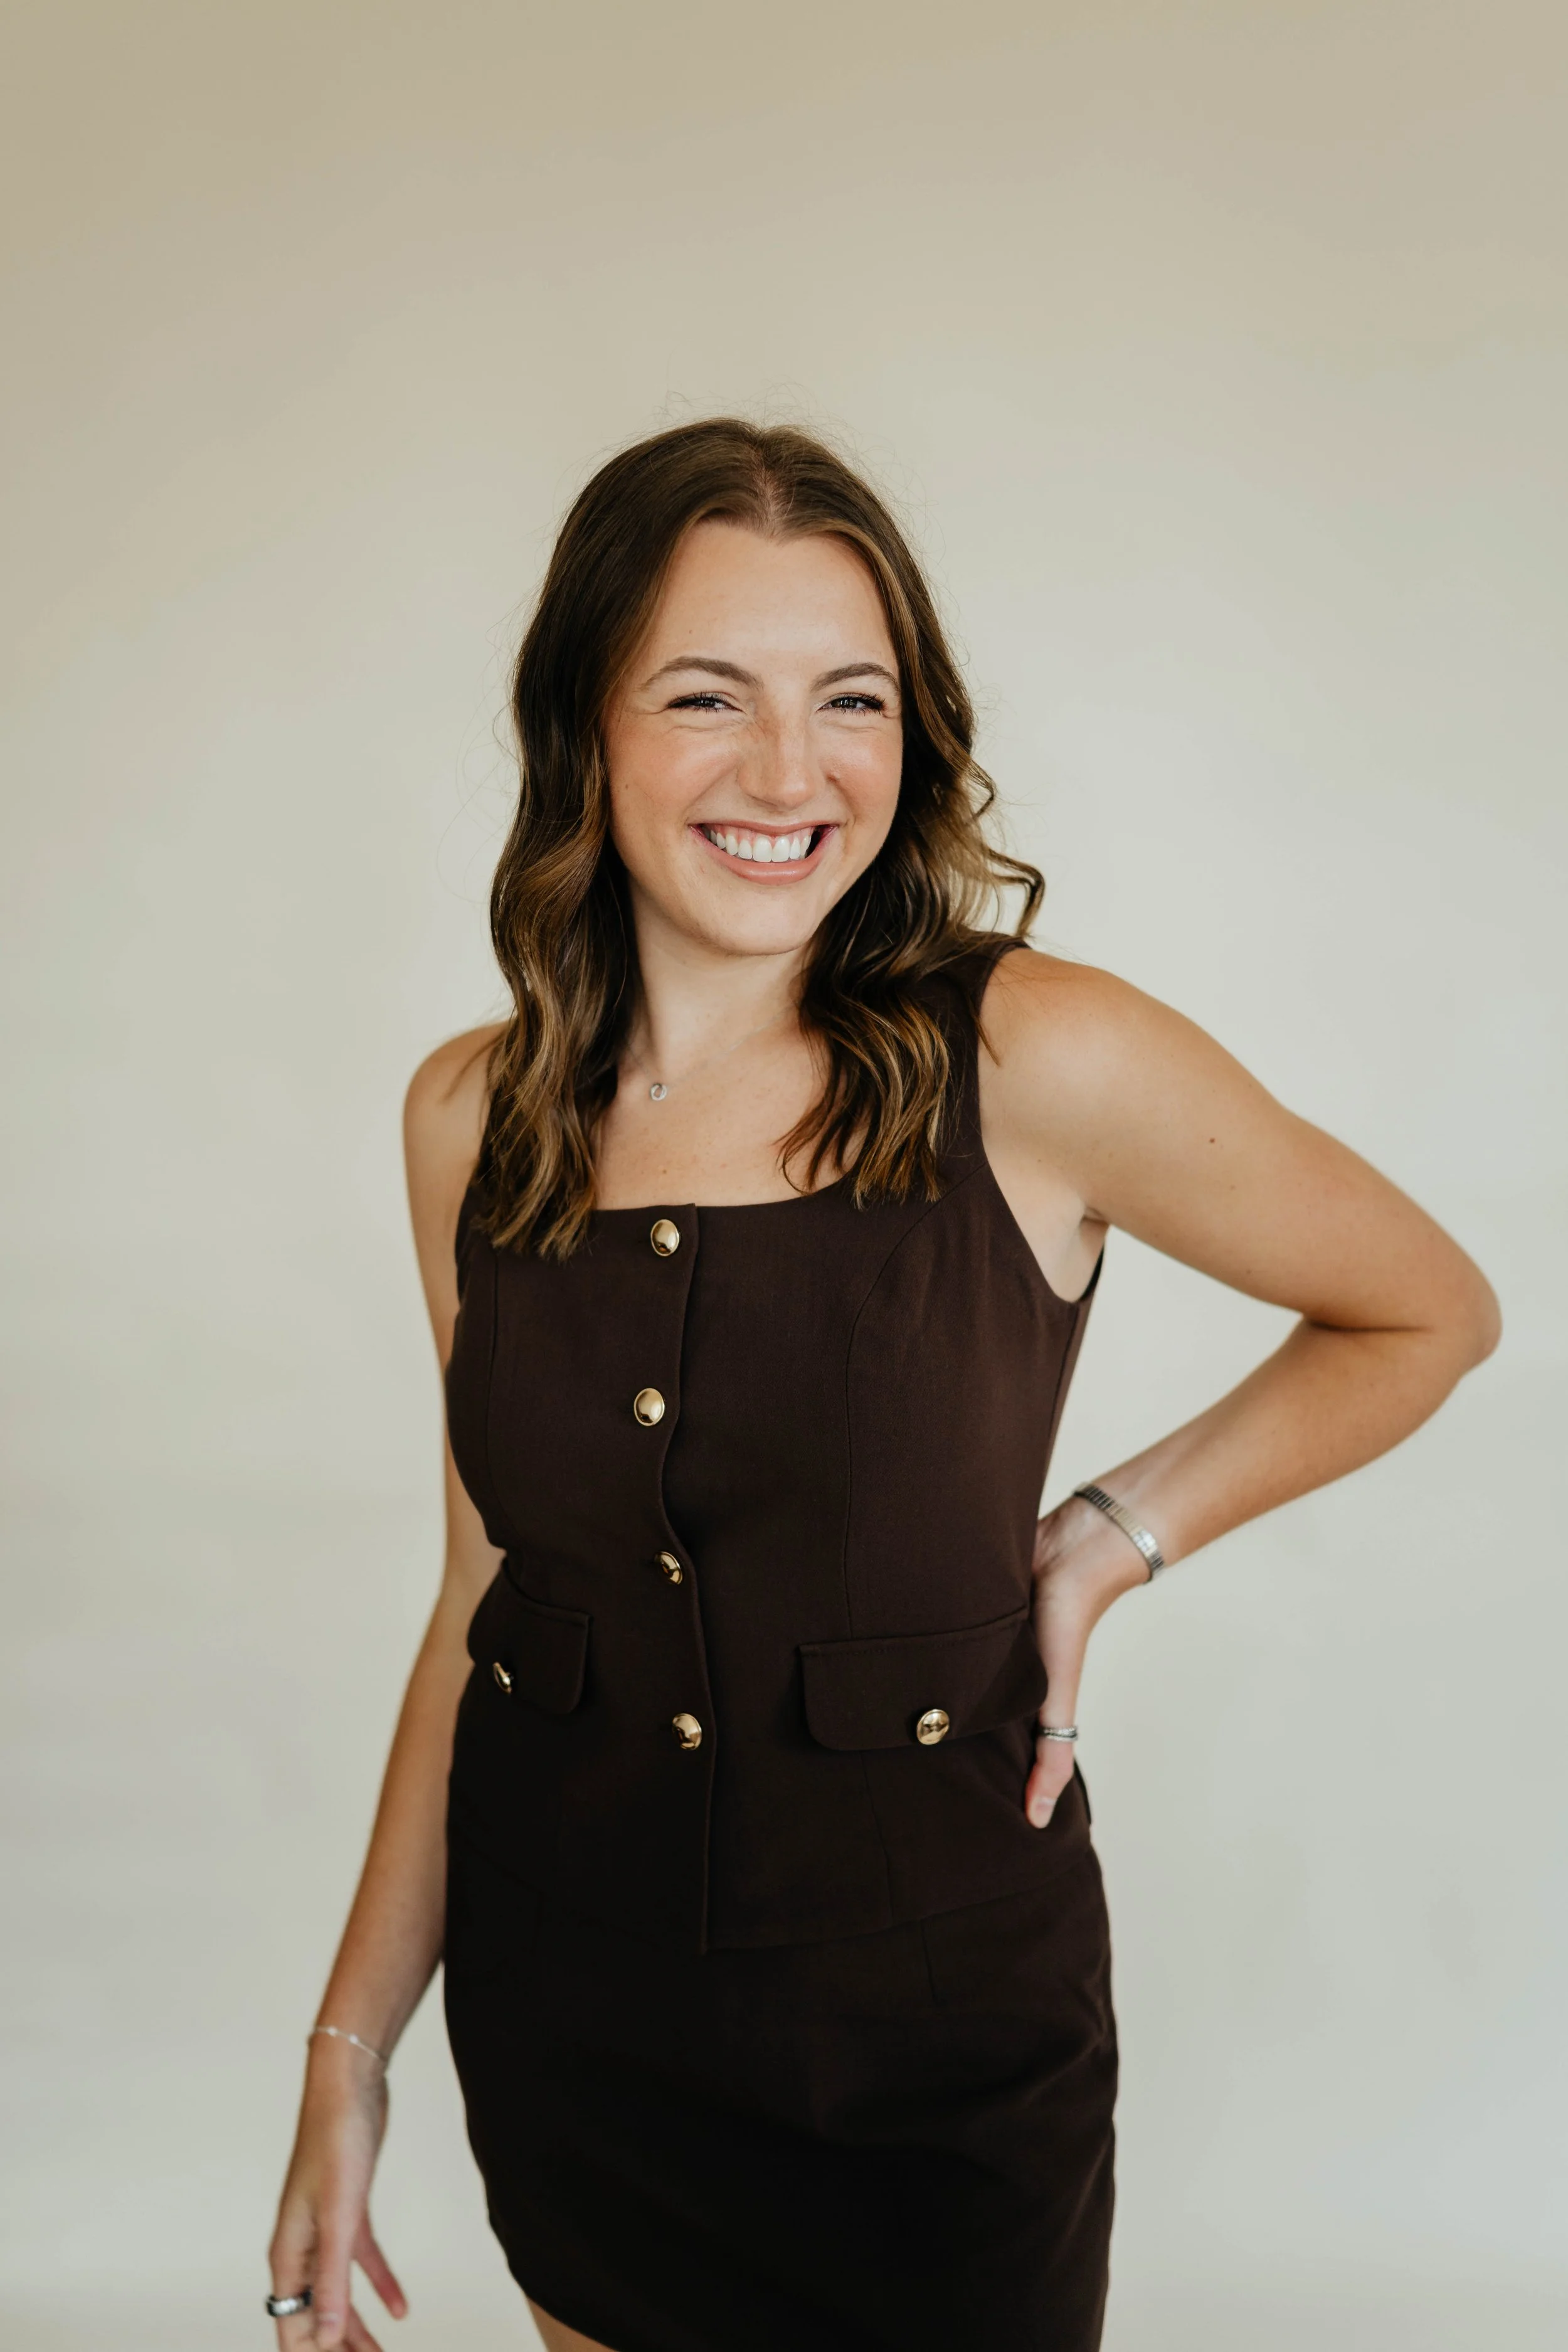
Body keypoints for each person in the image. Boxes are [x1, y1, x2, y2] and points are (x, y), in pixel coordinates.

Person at [266, 419, 1500, 2352]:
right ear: (581, 723)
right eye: (705, 694)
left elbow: (1424, 1307)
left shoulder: (1038, 1056)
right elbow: (476, 1602)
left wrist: (1107, 1537)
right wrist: (347, 2053)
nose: (788, 772)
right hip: (577, 2025)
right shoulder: (468, 1120)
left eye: (849, 698)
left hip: (935, 2065)